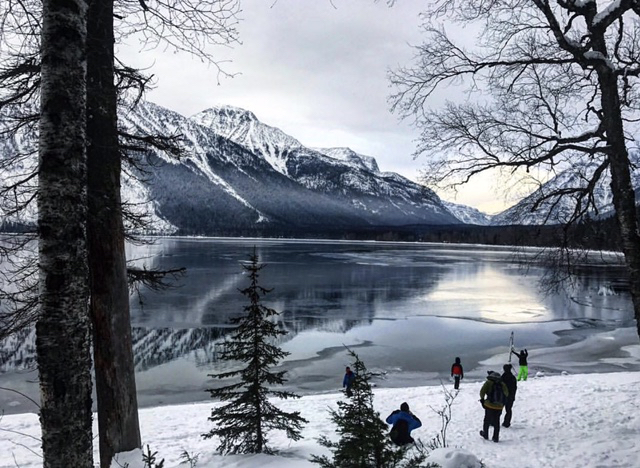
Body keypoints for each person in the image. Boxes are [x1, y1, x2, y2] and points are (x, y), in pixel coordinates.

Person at [479, 371, 509, 443]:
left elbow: (482, 392)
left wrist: (482, 400)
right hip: (499, 407)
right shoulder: (502, 384)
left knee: (487, 420)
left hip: (489, 405)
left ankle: (485, 434)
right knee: (496, 421)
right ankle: (495, 437)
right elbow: (506, 394)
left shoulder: (488, 382)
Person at [501, 363, 517, 428]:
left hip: (503, 396)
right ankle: (507, 423)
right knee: (508, 410)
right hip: (511, 396)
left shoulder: (503, 377)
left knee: (498, 409)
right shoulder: (513, 377)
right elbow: (514, 388)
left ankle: (494, 421)